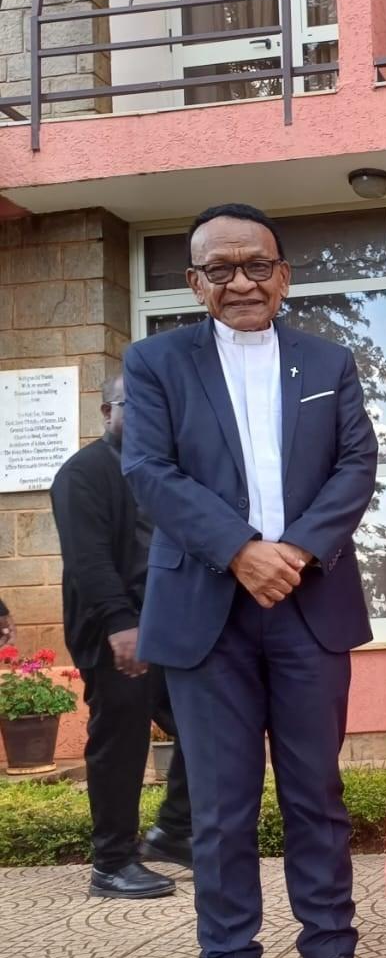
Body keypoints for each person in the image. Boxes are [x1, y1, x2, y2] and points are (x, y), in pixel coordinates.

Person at [122, 203, 386, 958]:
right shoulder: (156, 362)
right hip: (208, 613)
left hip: (309, 604)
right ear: (194, 282)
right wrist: (240, 550)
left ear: (284, 274)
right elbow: (148, 470)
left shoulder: (327, 360)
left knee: (317, 796)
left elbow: (356, 465)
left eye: (256, 265)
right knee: (222, 808)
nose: (241, 282)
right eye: (220, 269)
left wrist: (295, 551)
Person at [50, 374, 192, 900]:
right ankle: (111, 863)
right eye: (132, 403)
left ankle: (175, 831)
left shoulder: (159, 470)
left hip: (168, 627)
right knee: (121, 745)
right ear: (108, 412)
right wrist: (119, 624)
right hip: (115, 633)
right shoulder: (83, 473)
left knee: (206, 726)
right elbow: (87, 560)